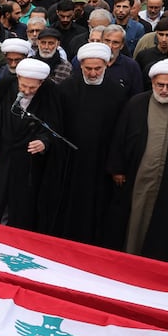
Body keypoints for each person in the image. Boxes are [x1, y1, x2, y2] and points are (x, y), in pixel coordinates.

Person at [107, 60, 168, 263]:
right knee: (132, 219)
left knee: (164, 224)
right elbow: (119, 138)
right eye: (160, 85)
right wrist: (118, 169)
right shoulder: (136, 103)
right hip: (137, 175)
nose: (165, 90)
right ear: (152, 82)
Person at [56, 42, 132, 244]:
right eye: (88, 68)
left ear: (107, 65)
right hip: (70, 162)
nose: (92, 73)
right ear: (80, 66)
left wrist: (116, 165)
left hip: (102, 162)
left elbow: (121, 132)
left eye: (97, 68)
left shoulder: (117, 92)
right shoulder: (66, 89)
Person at [0, 57, 68, 230]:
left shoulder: (50, 93)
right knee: (0, 198)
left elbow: (54, 126)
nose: (27, 91)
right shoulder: (6, 86)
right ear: (18, 78)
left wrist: (44, 141)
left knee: (22, 203)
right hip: (5, 154)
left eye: (32, 88)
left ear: (41, 83)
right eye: (23, 86)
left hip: (29, 161)